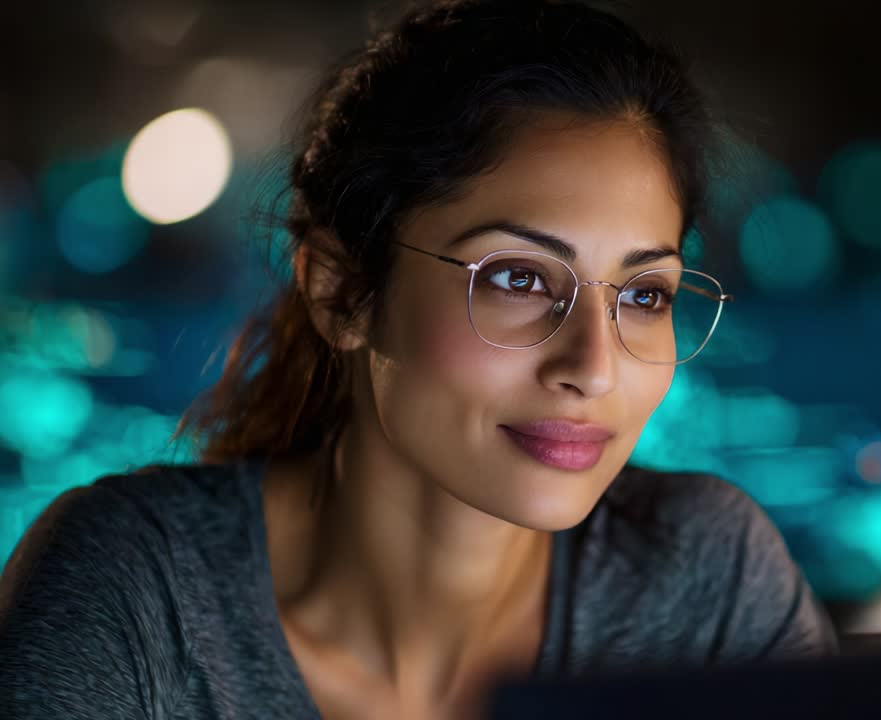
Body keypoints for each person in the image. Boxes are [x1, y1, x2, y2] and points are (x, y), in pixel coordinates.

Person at [0, 0, 837, 717]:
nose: (595, 366)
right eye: (518, 277)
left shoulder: (706, 579)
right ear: (343, 293)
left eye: (644, 295)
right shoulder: (135, 597)